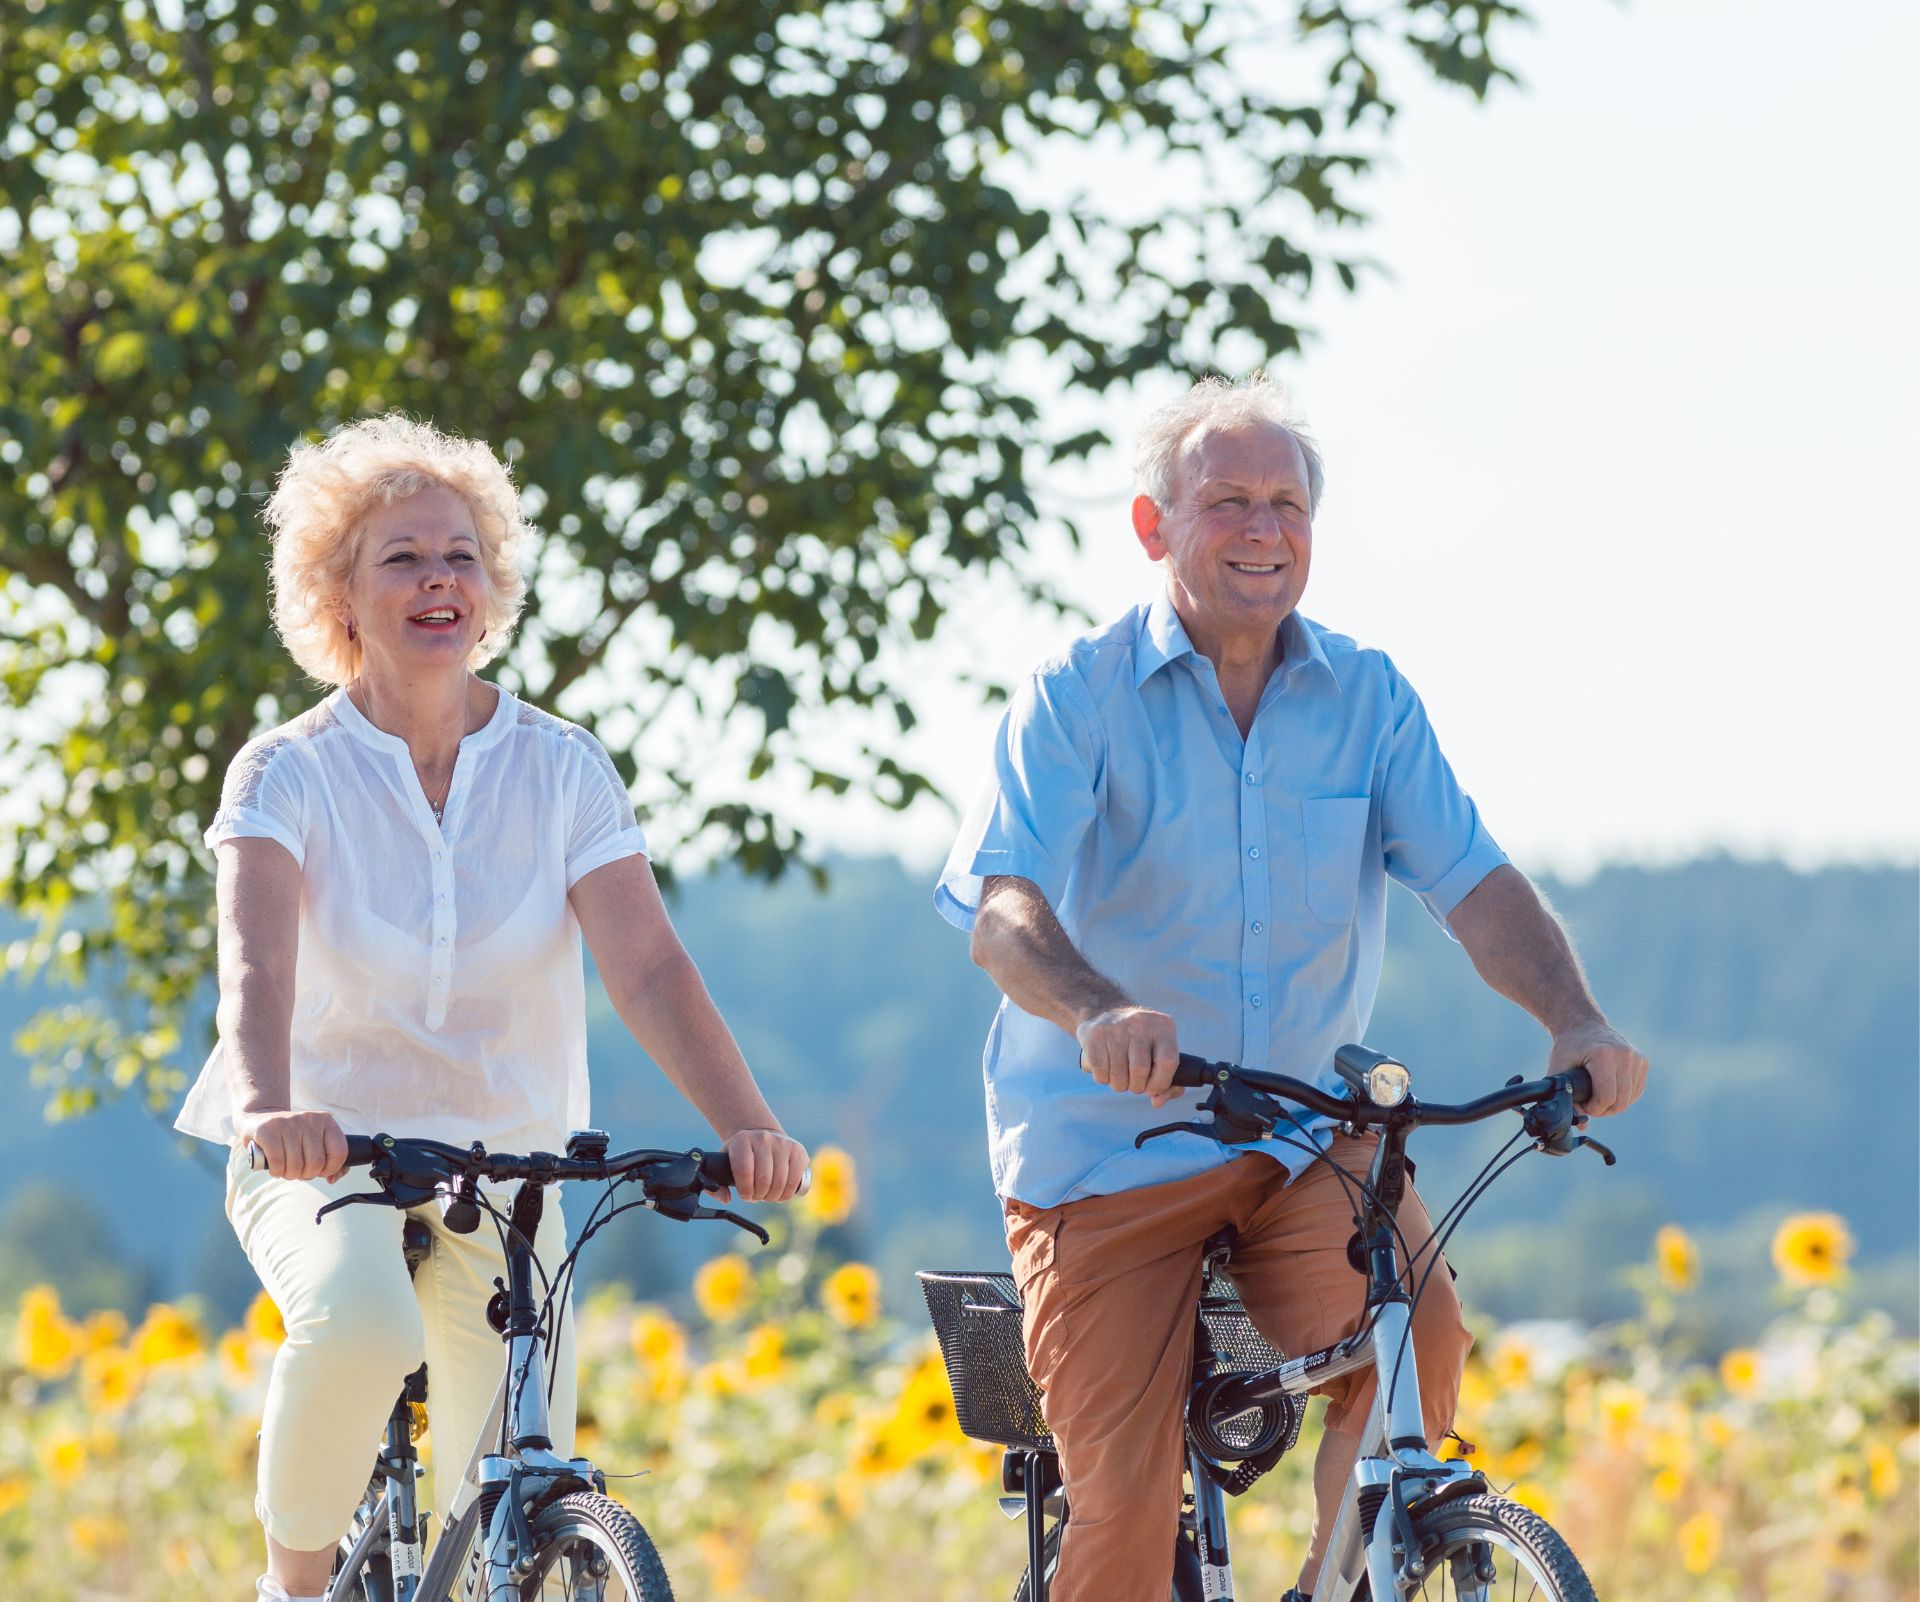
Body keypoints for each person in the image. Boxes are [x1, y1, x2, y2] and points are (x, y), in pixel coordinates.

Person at [934, 375, 1648, 1602]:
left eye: (1286, 504)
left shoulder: (1367, 698)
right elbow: (1003, 916)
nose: (1263, 529)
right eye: (1227, 503)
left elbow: (1474, 885)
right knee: (1119, 1527)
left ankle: (1341, 1577)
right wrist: (1098, 1010)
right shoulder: (1078, 693)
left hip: (1299, 1134)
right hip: (1106, 1155)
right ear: (1157, 527)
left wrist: (1573, 1018)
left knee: (1415, 1346)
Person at [174, 414, 809, 1602]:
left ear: (493, 584)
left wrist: (747, 1124)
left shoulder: (562, 766)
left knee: (511, 1485)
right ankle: (292, 1585)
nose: (438, 581)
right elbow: (254, 971)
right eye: (402, 557)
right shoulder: (286, 772)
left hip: (511, 1163)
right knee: (364, 1327)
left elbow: (650, 968)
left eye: (461, 555)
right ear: (342, 593)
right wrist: (271, 1106)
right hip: (325, 1149)